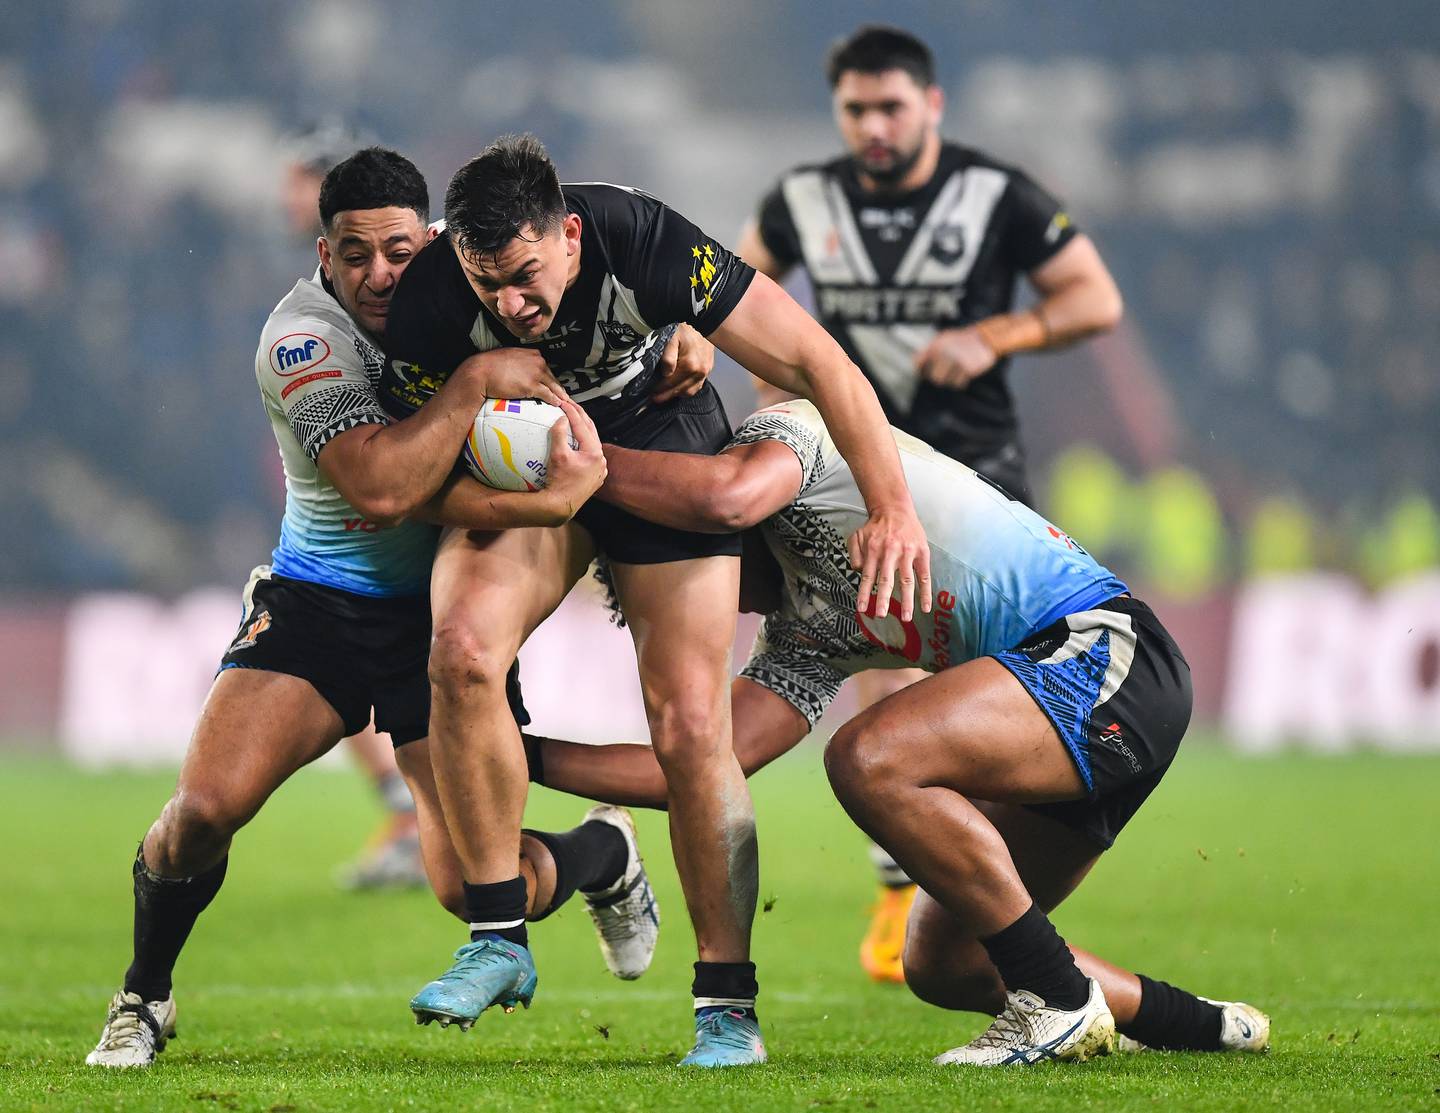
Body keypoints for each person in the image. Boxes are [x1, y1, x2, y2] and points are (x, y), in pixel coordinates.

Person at [85, 148, 666, 1068]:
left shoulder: (475, 288)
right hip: (323, 602)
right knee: (201, 809)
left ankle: (603, 856)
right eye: (354, 255)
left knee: (475, 885)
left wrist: (686, 339)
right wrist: (478, 390)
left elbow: (596, 304)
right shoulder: (301, 340)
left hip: (443, 611)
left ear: (429, 239)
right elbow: (381, 486)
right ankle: (142, 995)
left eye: (397, 249)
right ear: (324, 255)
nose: (378, 274)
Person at [377, 133, 929, 1067]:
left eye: (523, 275)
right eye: (486, 284)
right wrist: (535, 484)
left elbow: (818, 362)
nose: (510, 306)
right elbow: (406, 482)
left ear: (570, 236)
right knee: (461, 652)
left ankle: (727, 1007)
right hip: (535, 475)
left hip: (662, 440)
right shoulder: (433, 299)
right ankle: (498, 938)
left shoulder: (647, 243)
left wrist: (894, 507)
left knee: (687, 726)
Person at [517, 397, 1270, 1066]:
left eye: (684, 584)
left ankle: (1060, 1002)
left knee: (867, 756)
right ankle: (1197, 1025)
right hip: (1064, 710)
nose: (711, 610)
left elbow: (728, 494)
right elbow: (699, 766)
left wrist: (584, 467)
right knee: (944, 960)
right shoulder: (802, 630)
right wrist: (517, 754)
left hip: (1103, 653)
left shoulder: (782, 439)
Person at [735, 25, 1125, 981]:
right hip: (859, 480)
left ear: (932, 106)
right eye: (857, 109)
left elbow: (1094, 299)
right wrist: (772, 415)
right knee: (880, 648)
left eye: (891, 107)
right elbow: (740, 294)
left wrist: (1000, 334)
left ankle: (993, 884)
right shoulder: (800, 199)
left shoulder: (998, 195)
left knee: (1004, 679)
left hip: (977, 473)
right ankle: (903, 885)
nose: (874, 126)